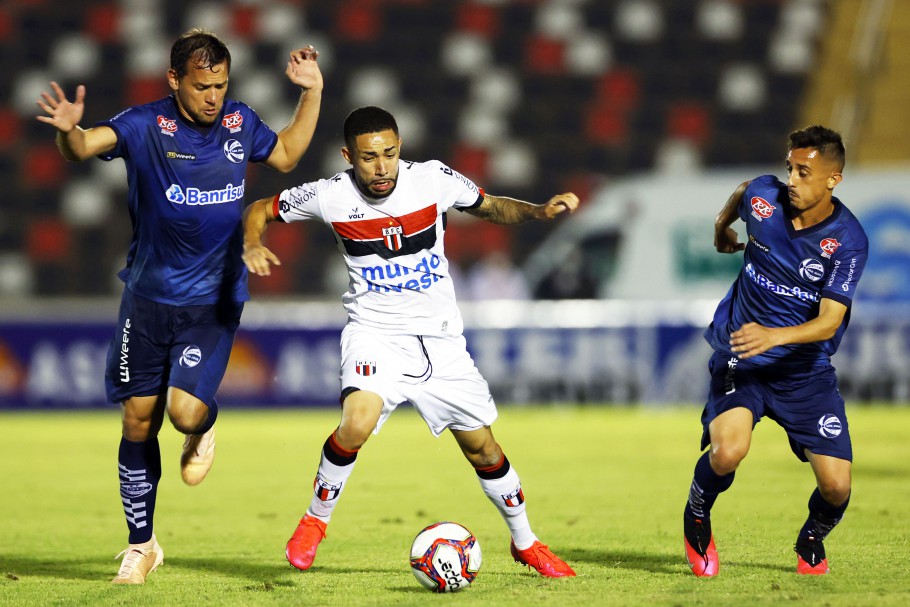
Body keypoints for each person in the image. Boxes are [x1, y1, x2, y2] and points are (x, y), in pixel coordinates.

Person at [36, 29, 323, 584]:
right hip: (146, 299)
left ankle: (205, 424)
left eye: (220, 84)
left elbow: (286, 154)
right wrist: (69, 132)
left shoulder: (239, 123)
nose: (213, 97)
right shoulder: (145, 125)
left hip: (213, 300)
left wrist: (311, 92)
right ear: (174, 81)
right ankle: (142, 546)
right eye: (201, 86)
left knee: (184, 411)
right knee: (137, 419)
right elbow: (84, 147)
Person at [242, 106, 579, 578]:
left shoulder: (433, 179)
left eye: (390, 154)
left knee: (484, 449)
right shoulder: (330, 195)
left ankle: (526, 543)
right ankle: (314, 523)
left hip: (441, 341)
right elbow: (259, 208)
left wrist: (539, 211)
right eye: (368, 158)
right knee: (356, 423)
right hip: (375, 334)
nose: (381, 167)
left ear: (401, 149)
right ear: (348, 156)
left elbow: (490, 204)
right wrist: (252, 243)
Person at [682, 126, 868, 577]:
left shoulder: (846, 240)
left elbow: (829, 320)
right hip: (740, 355)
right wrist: (721, 226)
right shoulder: (766, 196)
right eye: (790, 167)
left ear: (832, 180)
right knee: (728, 453)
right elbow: (746, 190)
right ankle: (696, 518)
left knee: (837, 487)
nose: (791, 180)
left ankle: (810, 539)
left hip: (803, 371)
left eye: (804, 173)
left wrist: (775, 336)